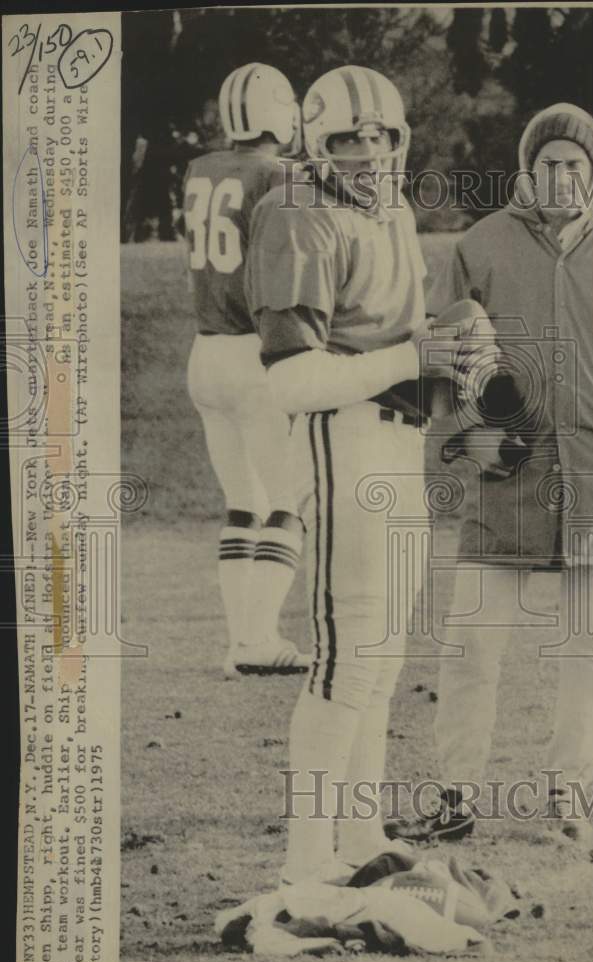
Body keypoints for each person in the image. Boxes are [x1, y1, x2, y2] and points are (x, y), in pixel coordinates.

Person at [389, 102, 593, 844]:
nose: (561, 175)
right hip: (507, 469)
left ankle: (570, 796)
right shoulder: (481, 245)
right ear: (525, 172)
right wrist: (468, 433)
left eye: (574, 163)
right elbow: (444, 352)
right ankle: (455, 795)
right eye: (546, 163)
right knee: (470, 643)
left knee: (589, 645)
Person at [245, 65, 493, 884]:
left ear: (399, 140)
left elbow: (403, 339)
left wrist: (459, 343)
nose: (365, 151)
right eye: (346, 138)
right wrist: (413, 352)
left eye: (378, 136)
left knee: (382, 656)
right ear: (316, 145)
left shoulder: (389, 209)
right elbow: (290, 378)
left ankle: (355, 838)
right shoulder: (294, 213)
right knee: (346, 655)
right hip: (337, 435)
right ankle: (304, 862)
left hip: (397, 437)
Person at [183, 63, 310, 676]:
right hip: (251, 351)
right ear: (276, 111)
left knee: (243, 505)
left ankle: (241, 642)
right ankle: (257, 640)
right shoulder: (278, 175)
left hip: (204, 350)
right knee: (290, 504)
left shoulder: (199, 168)